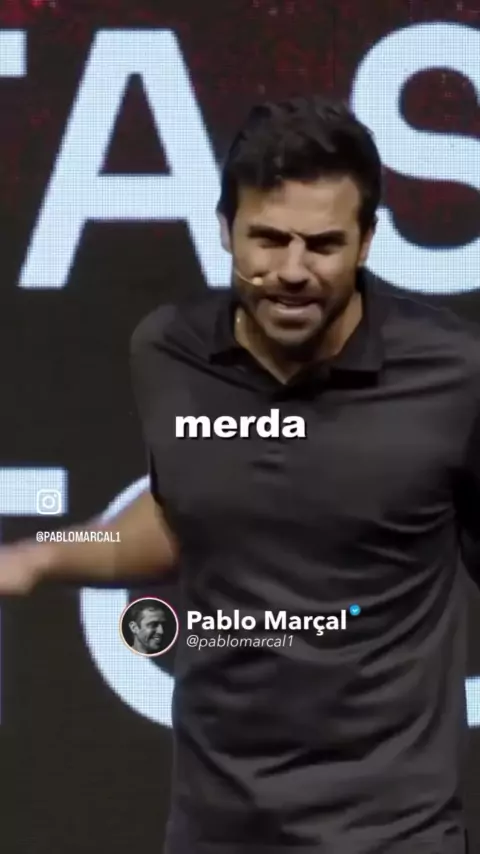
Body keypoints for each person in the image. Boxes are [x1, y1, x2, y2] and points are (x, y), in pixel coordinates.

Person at [0, 94, 478, 854]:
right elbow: (185, 516)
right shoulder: (170, 353)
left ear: (366, 242)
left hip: (393, 833)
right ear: (225, 228)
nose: (291, 271)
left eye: (323, 245)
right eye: (268, 239)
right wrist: (36, 556)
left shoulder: (453, 377)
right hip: (215, 828)